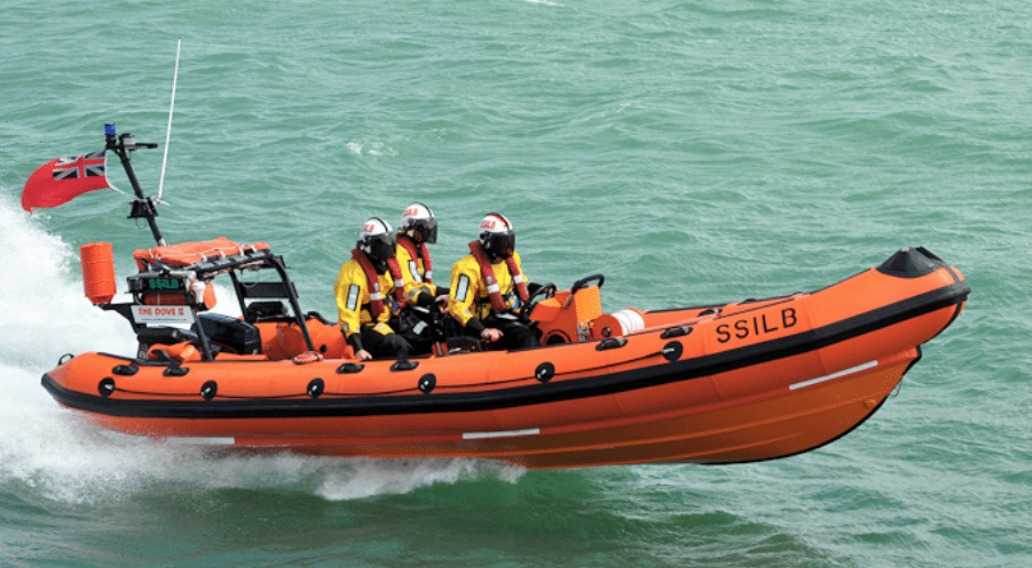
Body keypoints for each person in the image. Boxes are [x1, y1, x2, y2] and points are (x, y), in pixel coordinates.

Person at [446, 212, 538, 350]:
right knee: (524, 335)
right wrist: (483, 330)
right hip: (484, 321)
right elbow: (457, 306)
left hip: (509, 313)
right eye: (502, 242)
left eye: (509, 241)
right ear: (487, 241)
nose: (507, 247)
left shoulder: (513, 260)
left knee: (539, 325)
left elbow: (522, 286)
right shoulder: (467, 268)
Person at [334, 217, 412, 360]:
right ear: (370, 246)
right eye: (383, 243)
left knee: (421, 333)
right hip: (366, 327)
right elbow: (348, 314)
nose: (389, 247)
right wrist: (358, 348)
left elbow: (400, 293)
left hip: (387, 319)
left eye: (390, 241)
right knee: (398, 345)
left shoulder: (384, 266)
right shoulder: (353, 273)